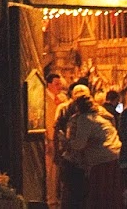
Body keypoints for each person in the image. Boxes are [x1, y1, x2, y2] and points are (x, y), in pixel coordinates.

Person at [64, 83, 124, 209]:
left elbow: (79, 145)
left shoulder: (84, 118)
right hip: (116, 156)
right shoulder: (101, 116)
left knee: (99, 193)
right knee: (111, 193)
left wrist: (66, 141)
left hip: (101, 159)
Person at [46, 71, 70, 209]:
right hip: (50, 139)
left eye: (60, 84)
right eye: (56, 84)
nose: (59, 87)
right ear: (49, 85)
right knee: (51, 171)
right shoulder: (44, 99)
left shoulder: (62, 99)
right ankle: (51, 199)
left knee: (59, 171)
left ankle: (57, 198)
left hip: (61, 140)